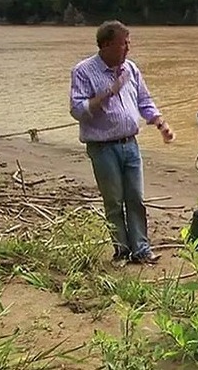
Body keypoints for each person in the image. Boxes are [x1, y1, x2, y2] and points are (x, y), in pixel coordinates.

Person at [69, 20, 175, 266]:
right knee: (114, 200)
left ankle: (141, 249)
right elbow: (77, 110)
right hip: (102, 147)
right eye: (123, 44)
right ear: (106, 45)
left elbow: (144, 102)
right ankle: (121, 251)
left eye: (129, 43)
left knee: (136, 197)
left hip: (130, 144)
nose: (128, 48)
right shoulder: (83, 71)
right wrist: (109, 91)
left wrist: (161, 124)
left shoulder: (131, 69)